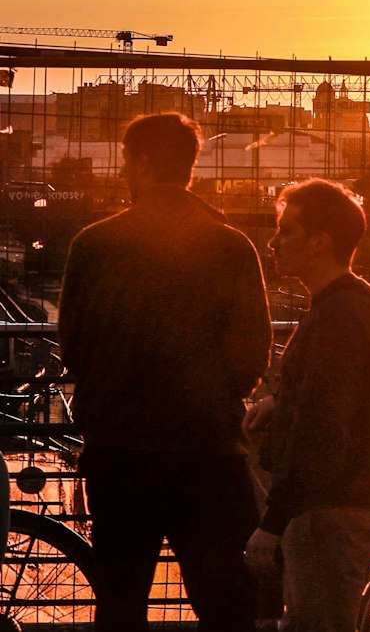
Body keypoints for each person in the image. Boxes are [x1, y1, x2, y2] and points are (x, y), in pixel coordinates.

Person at [58, 112, 272, 632]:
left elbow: (73, 345)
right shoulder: (230, 245)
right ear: (189, 166)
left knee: (122, 598)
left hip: (120, 451)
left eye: (126, 159)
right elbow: (253, 352)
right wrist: (214, 394)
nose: (121, 170)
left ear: (143, 163)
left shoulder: (95, 244)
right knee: (225, 602)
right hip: (207, 451)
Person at [243, 179, 370, 632]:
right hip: (351, 502)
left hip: (329, 511)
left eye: (286, 231)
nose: (273, 243)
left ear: (320, 241)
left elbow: (322, 431)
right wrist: (283, 402)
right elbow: (340, 398)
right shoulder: (365, 304)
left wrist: (274, 522)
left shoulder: (336, 318)